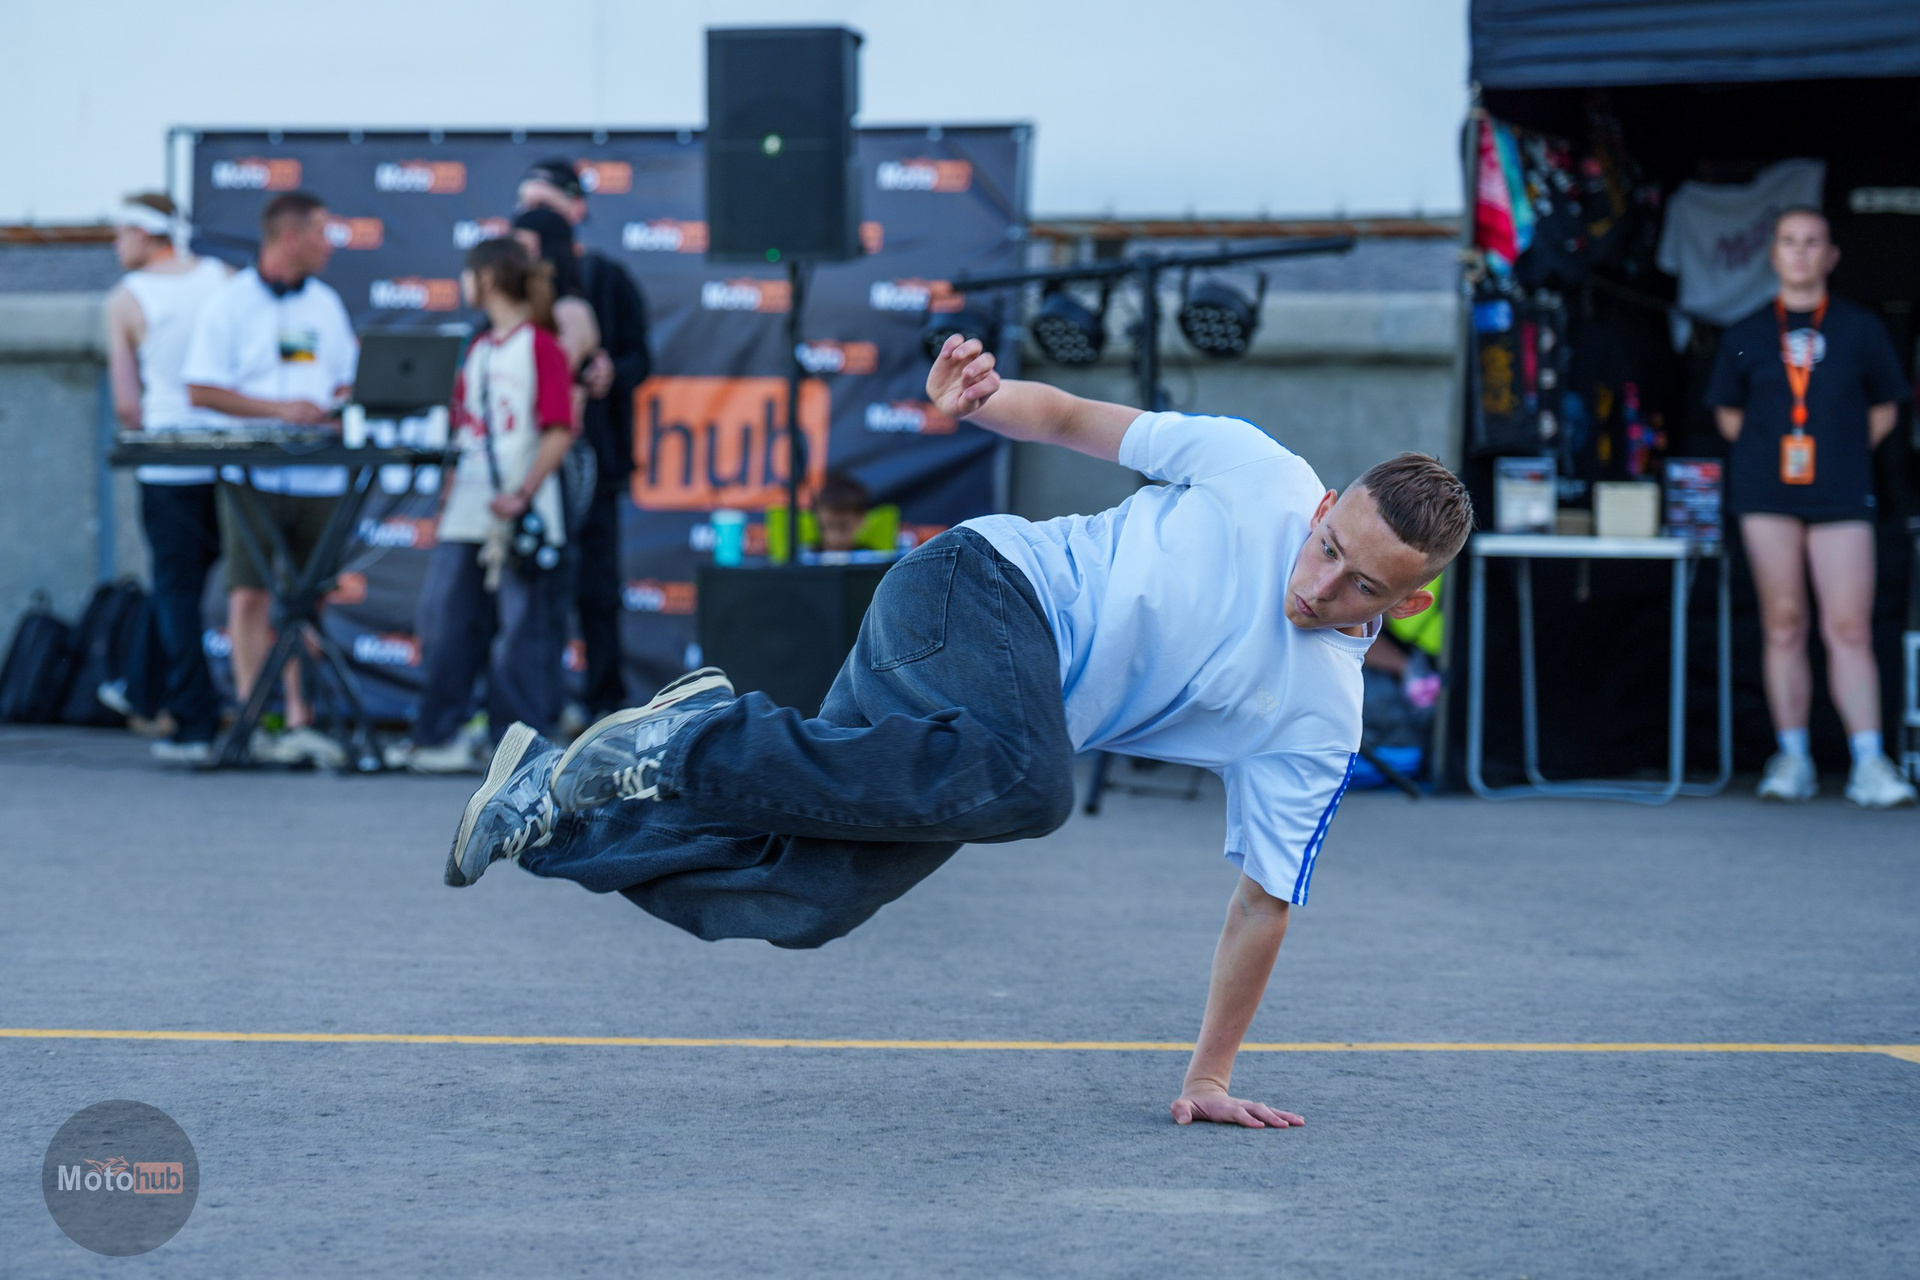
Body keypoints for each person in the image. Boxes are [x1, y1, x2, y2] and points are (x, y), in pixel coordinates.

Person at [440, 334, 1474, 1129]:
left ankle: (548, 808)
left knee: (811, 895)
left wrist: (1208, 1075)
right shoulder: (1259, 470)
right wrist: (980, 400)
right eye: (1327, 546)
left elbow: (1263, 900)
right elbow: (1072, 416)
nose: (1320, 585)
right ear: (1324, 504)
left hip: (978, 727)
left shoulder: (1320, 717)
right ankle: (684, 740)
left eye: (1361, 586)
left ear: (1412, 604)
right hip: (976, 589)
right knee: (1033, 787)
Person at [1709, 206, 1915, 808]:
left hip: (1841, 494)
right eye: (1789, 242)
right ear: (1773, 254)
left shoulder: (1860, 328)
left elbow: (1886, 407)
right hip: (1767, 496)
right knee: (1784, 623)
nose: (1800, 252)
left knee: (1849, 627)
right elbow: (1728, 415)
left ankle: (1869, 762)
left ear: (1831, 256)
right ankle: (1793, 757)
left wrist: (1841, 452)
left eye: (1812, 242)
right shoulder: (1747, 332)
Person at [385, 239, 579, 773]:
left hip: (523, 509)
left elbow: (559, 430)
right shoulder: (480, 348)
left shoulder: (540, 345)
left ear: (487, 277)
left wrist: (523, 492)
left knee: (522, 633)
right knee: (447, 620)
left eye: (468, 274)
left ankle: (516, 751)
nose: (464, 285)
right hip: (470, 508)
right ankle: (438, 734)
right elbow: (465, 429)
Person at [182, 190, 358, 767]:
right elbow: (200, 388)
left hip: (320, 477)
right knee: (250, 593)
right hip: (252, 473)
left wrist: (338, 403)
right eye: (323, 233)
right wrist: (279, 411)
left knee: (310, 598)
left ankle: (302, 718)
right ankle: (256, 719)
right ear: (291, 237)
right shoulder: (229, 303)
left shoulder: (326, 303)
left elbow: (347, 378)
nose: (331, 246)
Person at [517, 160, 652, 717]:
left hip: (593, 457)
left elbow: (641, 357)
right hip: (528, 461)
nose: (527, 218)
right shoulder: (513, 287)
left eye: (541, 207)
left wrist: (610, 370)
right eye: (523, 206)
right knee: (530, 590)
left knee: (597, 587)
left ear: (575, 209)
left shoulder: (607, 278)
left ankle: (605, 707)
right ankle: (532, 708)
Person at [103, 193, 233, 763]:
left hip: (168, 460)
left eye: (120, 233)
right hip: (233, 457)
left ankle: (192, 722)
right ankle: (141, 687)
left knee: (176, 590)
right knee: (199, 587)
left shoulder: (127, 298)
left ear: (142, 232)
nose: (115, 244)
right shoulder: (223, 278)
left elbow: (127, 405)